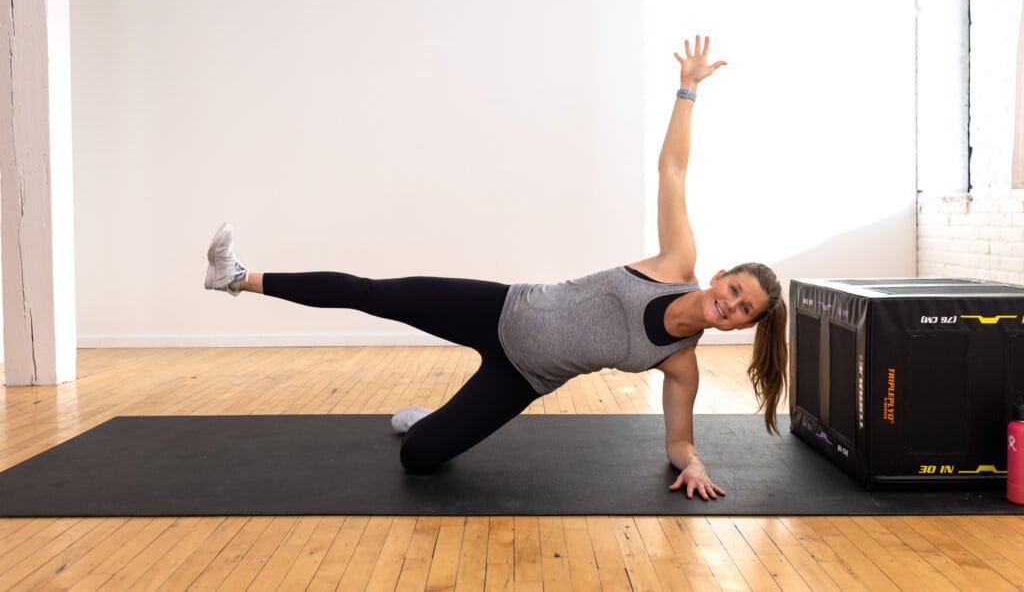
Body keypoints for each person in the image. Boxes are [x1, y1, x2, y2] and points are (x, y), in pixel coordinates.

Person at [204, 35, 787, 501]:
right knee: (371, 292)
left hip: (522, 379)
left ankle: (435, 419)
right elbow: (673, 173)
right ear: (718, 277)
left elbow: (679, 440)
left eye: (743, 311)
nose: (732, 306)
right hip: (502, 306)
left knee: (418, 458)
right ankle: (235, 278)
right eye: (735, 290)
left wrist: (694, 465)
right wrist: (687, 91)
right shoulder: (675, 261)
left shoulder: (680, 364)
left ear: (740, 327)